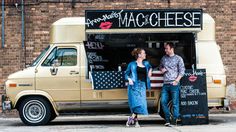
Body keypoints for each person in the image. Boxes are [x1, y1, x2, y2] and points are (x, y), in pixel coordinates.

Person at [125, 48, 152, 127]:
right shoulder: (132, 64)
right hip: (134, 86)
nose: (145, 54)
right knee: (136, 104)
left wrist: (150, 71)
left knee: (141, 104)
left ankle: (131, 118)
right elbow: (126, 74)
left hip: (142, 86)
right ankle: (136, 122)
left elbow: (150, 67)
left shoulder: (146, 63)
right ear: (139, 55)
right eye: (144, 53)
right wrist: (129, 79)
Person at [159, 42, 185, 126]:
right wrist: (162, 69)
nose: (165, 50)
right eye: (165, 48)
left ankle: (174, 119)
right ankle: (167, 119)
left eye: (167, 48)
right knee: (163, 101)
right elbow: (160, 66)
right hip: (165, 84)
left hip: (174, 84)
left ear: (171, 49)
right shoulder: (164, 58)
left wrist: (176, 81)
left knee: (175, 103)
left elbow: (182, 71)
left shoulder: (178, 58)